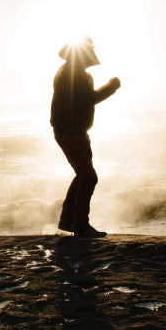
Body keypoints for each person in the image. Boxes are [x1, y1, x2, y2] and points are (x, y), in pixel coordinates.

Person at [51, 37, 120, 238]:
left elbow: (84, 99)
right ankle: (80, 225)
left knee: (83, 175)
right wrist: (112, 86)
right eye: (90, 50)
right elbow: (88, 99)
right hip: (71, 131)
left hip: (70, 130)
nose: (93, 54)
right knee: (88, 177)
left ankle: (69, 220)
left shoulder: (70, 72)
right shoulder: (75, 74)